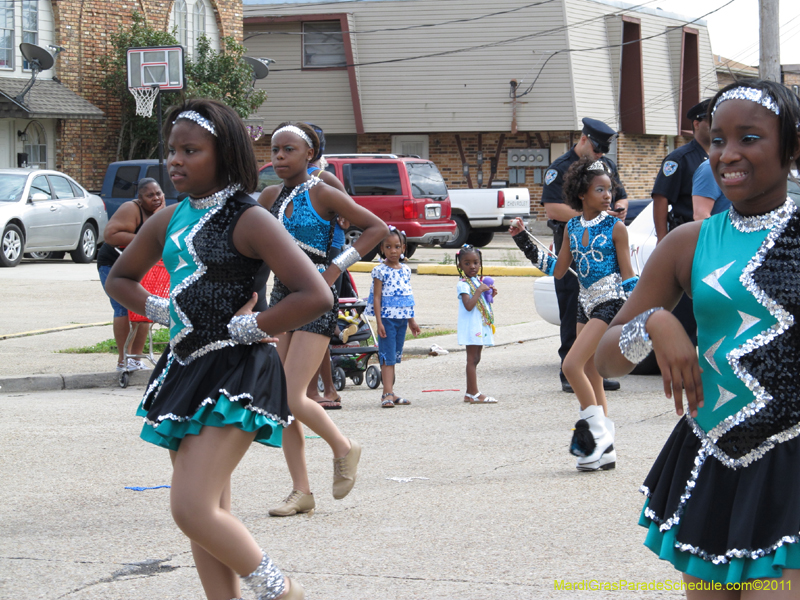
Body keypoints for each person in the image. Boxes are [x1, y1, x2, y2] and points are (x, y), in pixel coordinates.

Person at [105, 100, 332, 600]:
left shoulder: (249, 218)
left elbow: (315, 294)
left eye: (191, 150)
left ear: (223, 154)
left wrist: (254, 325)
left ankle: (282, 590)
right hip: (184, 368)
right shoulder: (168, 216)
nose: (176, 161)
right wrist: (164, 310)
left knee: (190, 507)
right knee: (207, 513)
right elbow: (120, 277)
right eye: (172, 151)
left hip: (237, 370)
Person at [596, 80, 800, 595]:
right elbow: (605, 361)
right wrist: (655, 324)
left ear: (792, 148)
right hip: (712, 460)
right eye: (716, 140)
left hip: (791, 468)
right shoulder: (689, 242)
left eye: (749, 138)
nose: (727, 155)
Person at [259, 121, 388, 518]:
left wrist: (333, 271)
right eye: (275, 150)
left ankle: (343, 447)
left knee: (293, 395)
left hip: (316, 297)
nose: (279, 157)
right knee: (278, 400)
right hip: (281, 296)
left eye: (288, 150)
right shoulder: (268, 196)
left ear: (309, 155)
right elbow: (255, 249)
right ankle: (301, 491)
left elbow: (376, 229)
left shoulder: (324, 193)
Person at [511, 158, 637, 471]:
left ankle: (596, 436)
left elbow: (629, 277)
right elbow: (558, 271)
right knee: (590, 371)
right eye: (600, 189)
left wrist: (641, 313)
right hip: (585, 302)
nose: (608, 195)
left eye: (610, 190)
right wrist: (523, 240)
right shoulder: (572, 226)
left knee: (570, 365)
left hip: (611, 302)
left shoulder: (616, 228)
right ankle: (605, 448)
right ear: (582, 193)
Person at [541, 117, 627, 393]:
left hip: (605, 263)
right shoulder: (560, 169)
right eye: (597, 149)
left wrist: (618, 209)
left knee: (599, 324)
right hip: (574, 253)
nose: (601, 155)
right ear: (583, 140)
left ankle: (596, 370)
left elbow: (622, 196)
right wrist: (590, 216)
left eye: (604, 151)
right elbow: (553, 209)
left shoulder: (604, 168)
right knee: (571, 312)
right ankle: (570, 368)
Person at [303, 123, 350, 410]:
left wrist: (335, 267)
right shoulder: (287, 180)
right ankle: (322, 387)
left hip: (327, 252)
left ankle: (320, 388)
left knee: (318, 321)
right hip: (299, 254)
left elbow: (351, 217)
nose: (281, 156)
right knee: (307, 322)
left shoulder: (325, 178)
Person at [97, 177, 165, 372]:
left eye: (158, 193)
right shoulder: (131, 208)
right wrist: (145, 240)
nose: (156, 198)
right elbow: (111, 235)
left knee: (145, 307)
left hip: (140, 266)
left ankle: (135, 358)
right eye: (150, 195)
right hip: (113, 265)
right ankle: (122, 360)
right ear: (140, 198)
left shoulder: (159, 211)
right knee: (123, 309)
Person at [364, 227, 421, 407]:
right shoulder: (380, 270)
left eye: (397, 246)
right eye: (388, 247)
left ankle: (391, 392)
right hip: (387, 319)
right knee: (387, 356)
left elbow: (407, 295)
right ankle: (386, 394)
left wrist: (411, 320)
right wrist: (379, 322)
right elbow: (377, 297)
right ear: (381, 249)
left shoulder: (405, 270)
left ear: (404, 248)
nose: (393, 251)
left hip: (401, 319)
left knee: (394, 356)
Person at [652, 99, 712, 241]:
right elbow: (661, 198)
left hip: (716, 235)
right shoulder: (679, 159)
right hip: (689, 234)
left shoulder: (723, 156)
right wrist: (662, 238)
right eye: (712, 121)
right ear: (697, 124)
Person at [455, 245, 498, 404]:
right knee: (471, 359)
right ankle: (474, 393)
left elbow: (481, 303)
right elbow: (468, 305)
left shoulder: (475, 281)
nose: (472, 266)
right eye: (467, 263)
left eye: (475, 262)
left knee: (476, 358)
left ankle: (469, 393)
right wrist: (479, 291)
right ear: (460, 265)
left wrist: (489, 294)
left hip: (479, 325)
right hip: (471, 327)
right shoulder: (463, 284)